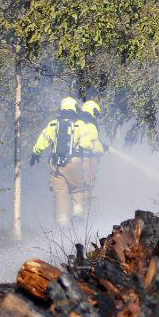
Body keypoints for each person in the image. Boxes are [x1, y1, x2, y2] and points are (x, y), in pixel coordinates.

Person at [29, 96, 102, 227]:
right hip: (74, 162)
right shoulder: (79, 125)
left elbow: (42, 140)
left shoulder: (53, 124)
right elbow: (86, 144)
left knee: (60, 193)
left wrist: (36, 153)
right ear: (74, 108)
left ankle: (62, 221)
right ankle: (78, 212)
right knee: (77, 188)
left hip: (55, 165)